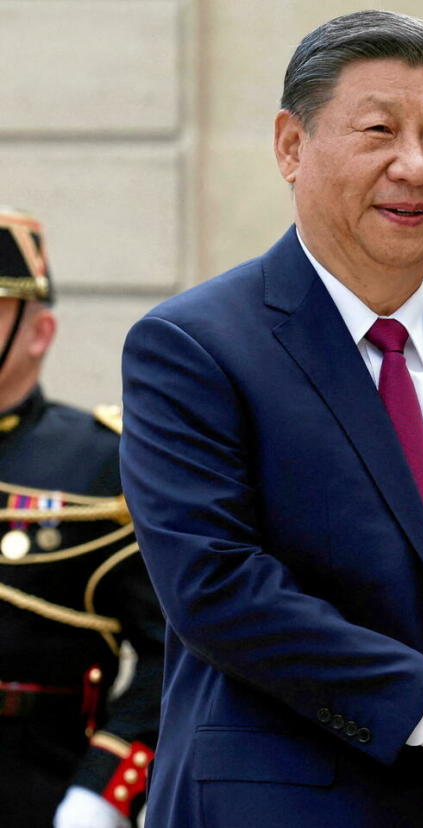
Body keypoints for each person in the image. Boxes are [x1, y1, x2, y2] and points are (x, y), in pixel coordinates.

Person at [118, 12, 423, 826]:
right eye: (379, 130)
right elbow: (217, 587)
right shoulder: (194, 347)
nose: (415, 166)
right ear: (291, 145)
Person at [0, 207, 163, 827]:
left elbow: (174, 653)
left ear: (39, 334)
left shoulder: (101, 464)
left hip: (36, 791)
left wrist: (102, 794)